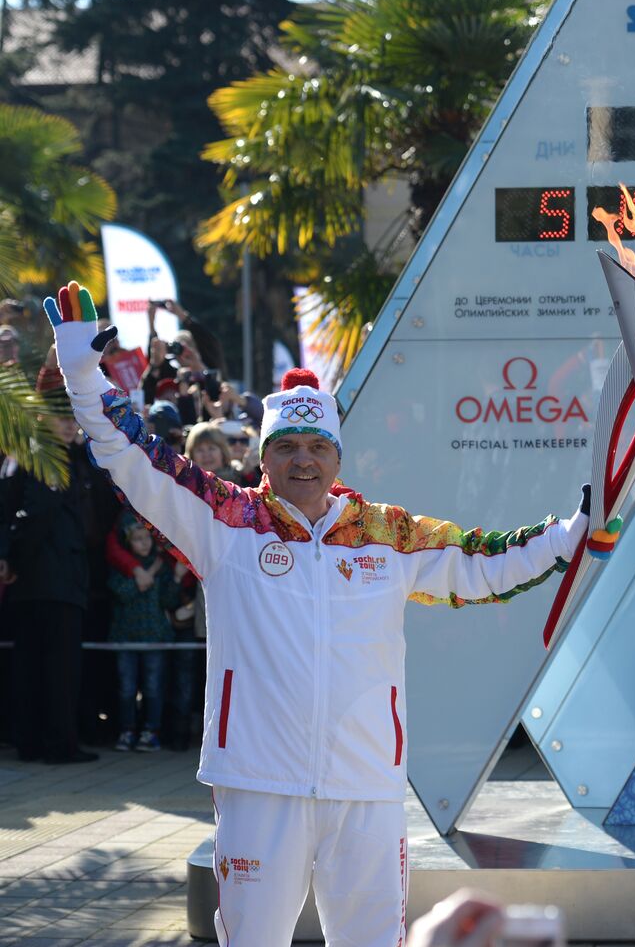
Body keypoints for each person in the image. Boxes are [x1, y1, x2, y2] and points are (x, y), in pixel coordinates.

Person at [44, 283, 591, 947]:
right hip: (256, 782)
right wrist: (81, 373)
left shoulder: (386, 535)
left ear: (337, 458)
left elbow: (481, 563)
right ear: (265, 457)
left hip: (366, 787)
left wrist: (567, 538)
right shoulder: (225, 520)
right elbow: (136, 456)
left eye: (317, 446)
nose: (302, 458)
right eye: (286, 446)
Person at [0, 394, 107, 764]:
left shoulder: (25, 457)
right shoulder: (48, 460)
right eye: (62, 419)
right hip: (55, 578)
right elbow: (38, 515)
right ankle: (59, 745)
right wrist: (17, 559)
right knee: (59, 669)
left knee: (29, 664)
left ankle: (30, 742)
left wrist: (12, 560)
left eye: (71, 420)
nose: (69, 426)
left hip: (35, 579)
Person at [108, 512, 182, 753]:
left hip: (155, 637)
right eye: (138, 539)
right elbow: (124, 592)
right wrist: (145, 574)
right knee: (126, 687)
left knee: (153, 687)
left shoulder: (162, 568)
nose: (144, 543)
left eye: (147, 538)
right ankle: (127, 729)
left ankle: (151, 730)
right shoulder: (121, 569)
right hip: (125, 636)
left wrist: (177, 578)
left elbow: (169, 600)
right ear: (128, 541)